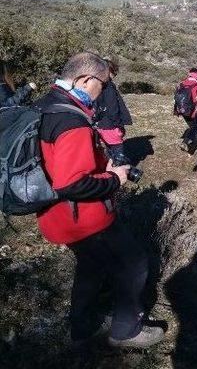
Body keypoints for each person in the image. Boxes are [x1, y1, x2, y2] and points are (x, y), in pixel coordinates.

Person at [34, 52, 164, 348]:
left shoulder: (47, 104)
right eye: (103, 85)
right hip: (84, 218)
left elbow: (58, 164)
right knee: (134, 263)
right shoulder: (72, 122)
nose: (104, 91)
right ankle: (126, 330)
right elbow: (71, 182)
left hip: (55, 215)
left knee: (90, 267)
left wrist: (99, 164)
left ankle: (81, 328)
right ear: (85, 80)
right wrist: (114, 178)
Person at [95, 57, 132, 161]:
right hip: (111, 126)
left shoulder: (97, 85)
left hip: (101, 125)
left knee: (109, 151)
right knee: (118, 152)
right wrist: (119, 125)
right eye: (113, 71)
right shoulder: (109, 87)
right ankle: (118, 174)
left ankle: (110, 170)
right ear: (108, 71)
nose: (115, 74)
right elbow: (113, 109)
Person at [174, 68, 197, 147]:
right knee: (196, 126)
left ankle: (190, 141)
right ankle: (186, 142)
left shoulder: (182, 84)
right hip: (191, 111)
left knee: (193, 126)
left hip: (181, 109)